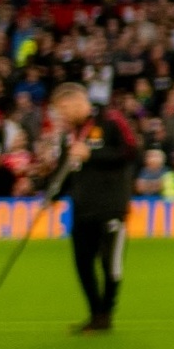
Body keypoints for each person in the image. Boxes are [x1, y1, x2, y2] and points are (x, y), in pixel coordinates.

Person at [51, 85, 143, 335]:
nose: (62, 116)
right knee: (82, 262)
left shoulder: (111, 120)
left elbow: (131, 151)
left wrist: (92, 153)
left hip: (111, 206)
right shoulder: (70, 135)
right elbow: (66, 170)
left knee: (109, 263)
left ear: (79, 102)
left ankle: (106, 313)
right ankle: (95, 314)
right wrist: (51, 193)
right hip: (82, 209)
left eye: (64, 109)